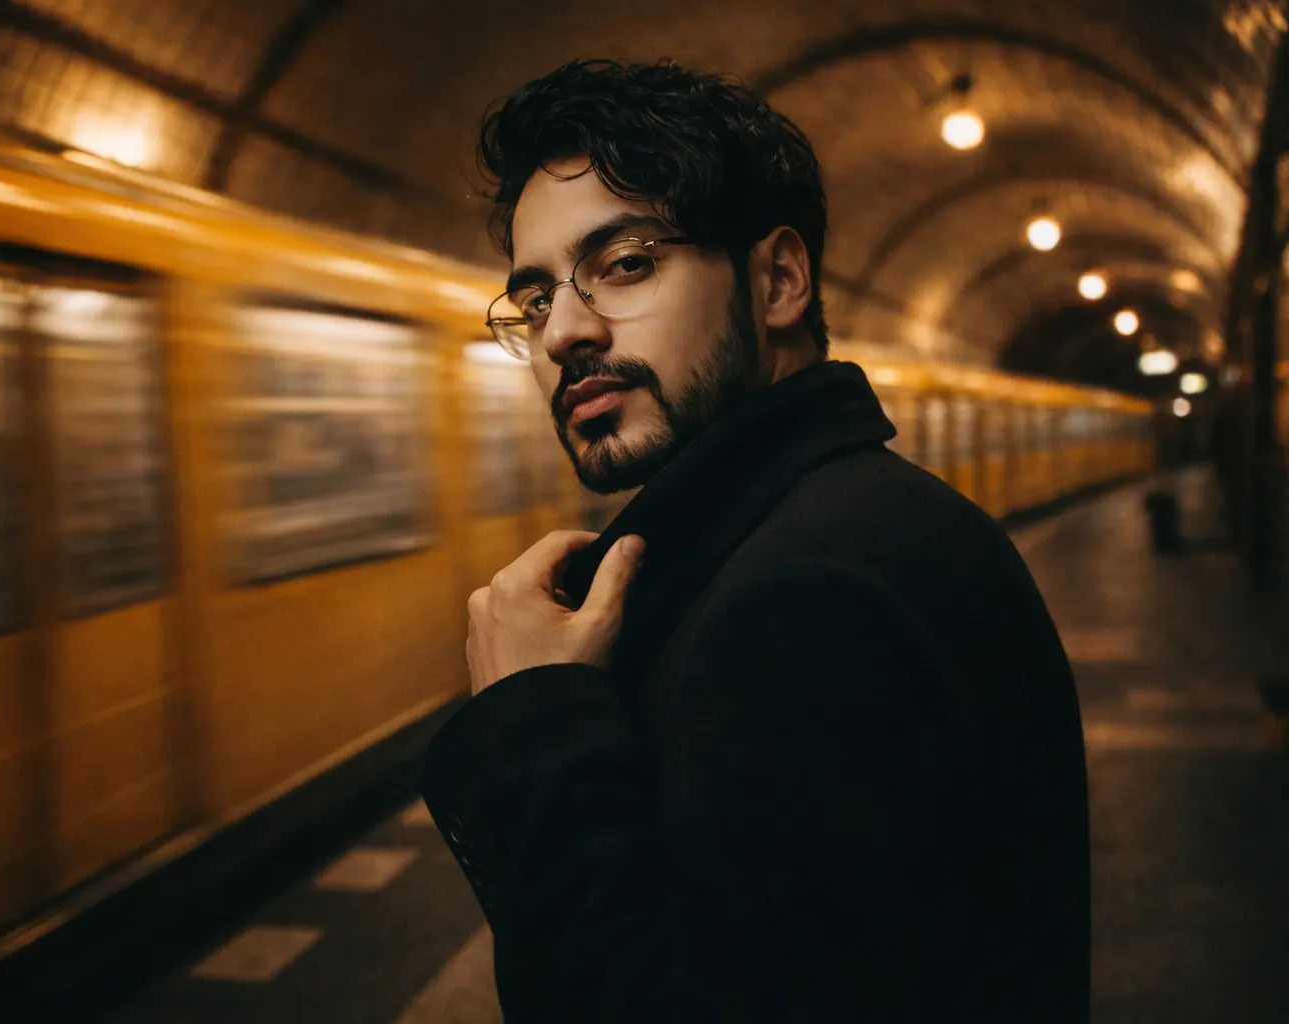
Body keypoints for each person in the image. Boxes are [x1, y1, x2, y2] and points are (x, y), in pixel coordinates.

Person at [420, 59, 1090, 1022]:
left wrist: (535, 717)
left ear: (776, 280)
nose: (563, 330)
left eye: (625, 264)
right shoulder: (845, 523)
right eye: (533, 299)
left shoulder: (810, 601)